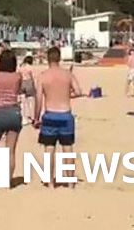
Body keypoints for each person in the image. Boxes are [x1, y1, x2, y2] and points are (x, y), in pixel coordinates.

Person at [34, 46, 83, 187]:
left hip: (50, 114)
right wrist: (67, 95)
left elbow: (38, 99)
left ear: (47, 59)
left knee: (49, 149)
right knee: (67, 149)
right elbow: (79, 91)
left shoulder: (43, 76)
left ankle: (49, 182)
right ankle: (70, 181)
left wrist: (36, 118)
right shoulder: (67, 74)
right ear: (59, 58)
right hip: (65, 113)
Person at [0, 49, 23, 183]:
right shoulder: (17, 76)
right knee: (11, 150)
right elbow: (18, 91)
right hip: (13, 112)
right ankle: (7, 180)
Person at [19, 55, 36, 124]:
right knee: (31, 101)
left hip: (22, 82)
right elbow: (33, 78)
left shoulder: (21, 67)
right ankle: (32, 117)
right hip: (29, 83)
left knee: (23, 102)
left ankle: (23, 118)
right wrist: (35, 87)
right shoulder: (30, 67)